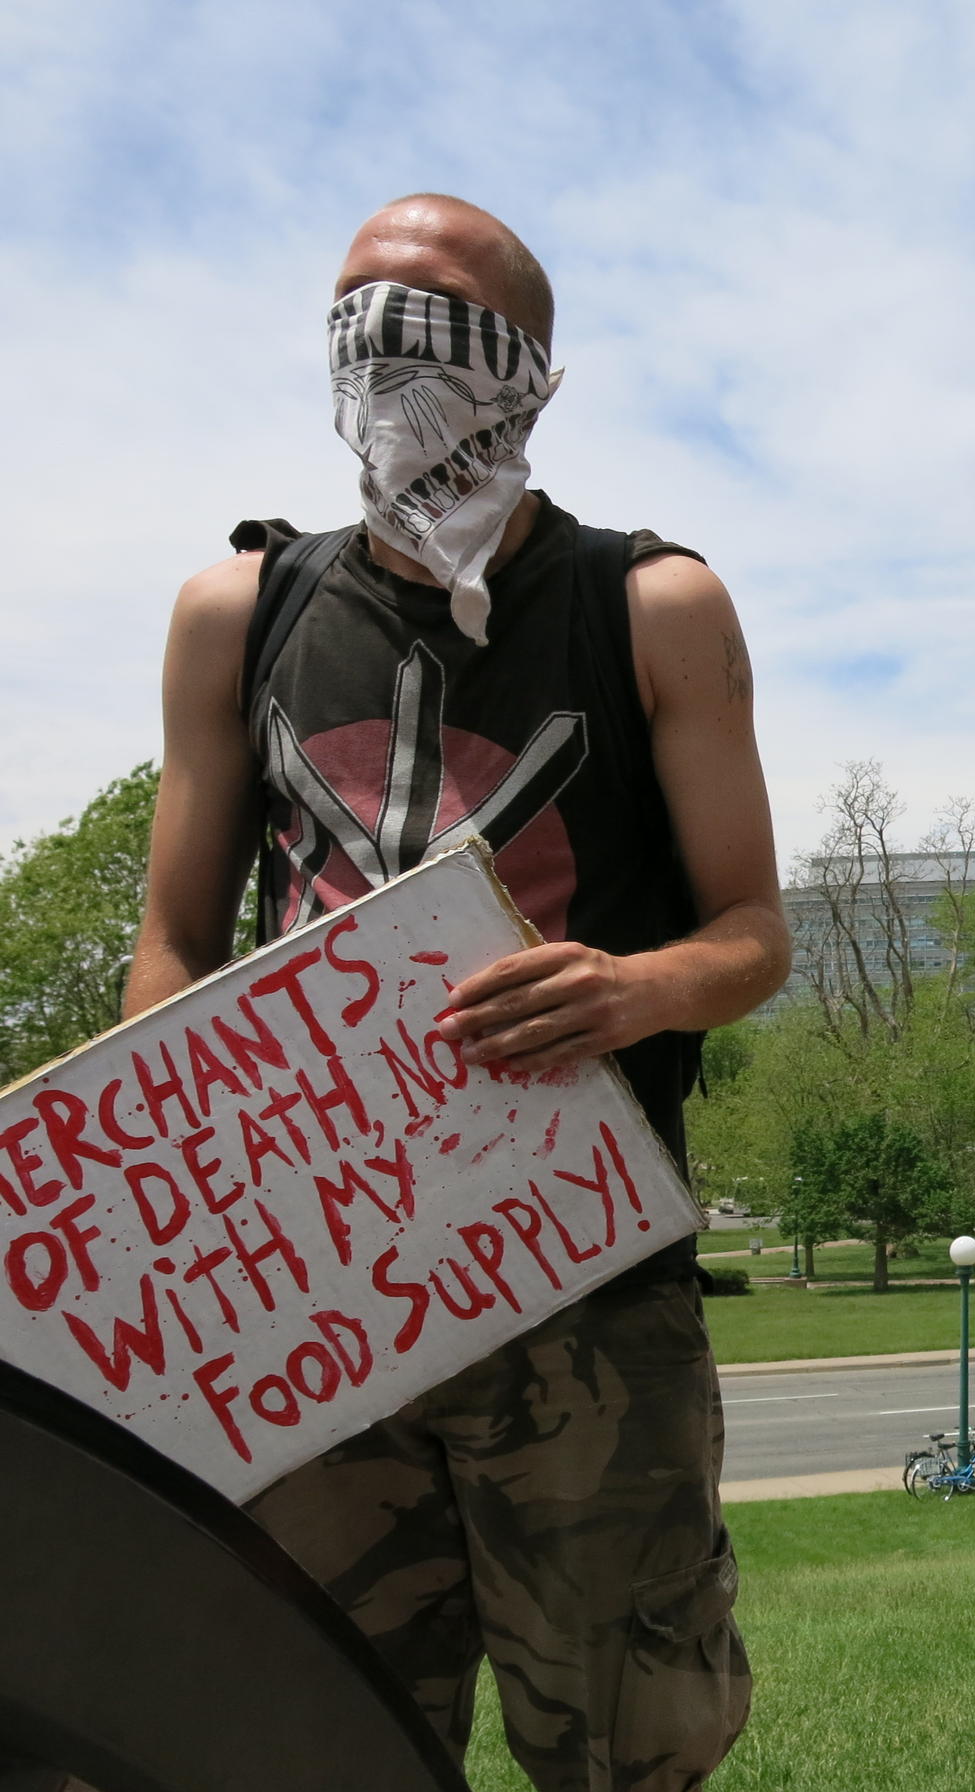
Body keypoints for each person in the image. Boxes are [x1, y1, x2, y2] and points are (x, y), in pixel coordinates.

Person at [126, 195, 789, 1790]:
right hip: (315, 1286)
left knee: (632, 1744)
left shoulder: (655, 606)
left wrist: (635, 991)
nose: (387, 349)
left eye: (434, 318)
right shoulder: (241, 615)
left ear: (532, 371)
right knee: (312, 1729)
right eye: (358, 312)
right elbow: (169, 947)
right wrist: (187, 1117)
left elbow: (755, 935)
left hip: (580, 1283)